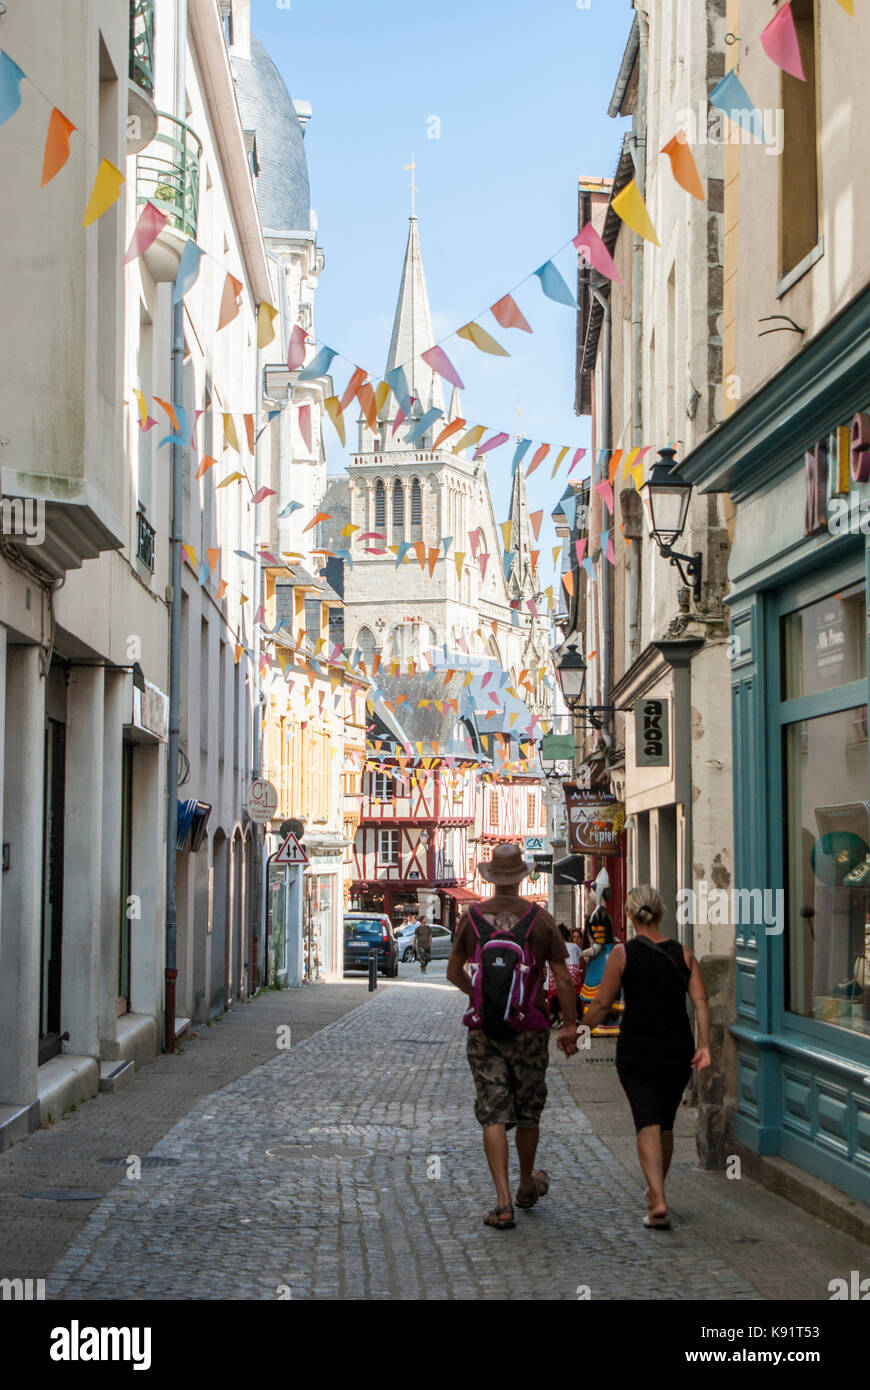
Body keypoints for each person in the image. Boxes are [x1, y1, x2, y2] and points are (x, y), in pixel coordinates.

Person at [447, 843, 580, 1230]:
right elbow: (563, 975)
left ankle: (503, 1202)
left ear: (491, 879)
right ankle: (525, 1185)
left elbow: (454, 972)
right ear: (522, 878)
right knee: (527, 1111)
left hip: (485, 1031)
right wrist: (569, 1025)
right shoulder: (541, 920)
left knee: (492, 1111)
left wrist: (483, 999)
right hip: (530, 1030)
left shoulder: (471, 919)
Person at [581, 884, 711, 1230]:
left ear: (629, 915)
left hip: (637, 1049)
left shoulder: (623, 954)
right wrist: (705, 1046)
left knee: (646, 1119)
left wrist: (576, 1031)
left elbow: (602, 1003)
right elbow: (701, 1002)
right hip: (677, 1049)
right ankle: (657, 1192)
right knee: (664, 1121)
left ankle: (658, 1197)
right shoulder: (684, 954)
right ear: (662, 913)